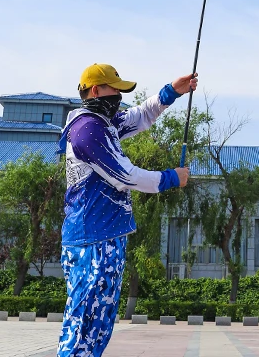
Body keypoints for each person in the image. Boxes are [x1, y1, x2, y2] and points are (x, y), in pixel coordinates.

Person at [56, 62, 196, 357]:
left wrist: (171, 92)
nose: (119, 97)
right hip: (92, 239)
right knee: (84, 324)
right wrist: (171, 178)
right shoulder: (88, 130)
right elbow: (126, 176)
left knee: (98, 325)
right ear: (95, 91)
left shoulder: (103, 124)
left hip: (103, 237)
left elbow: (140, 116)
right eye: (114, 90)